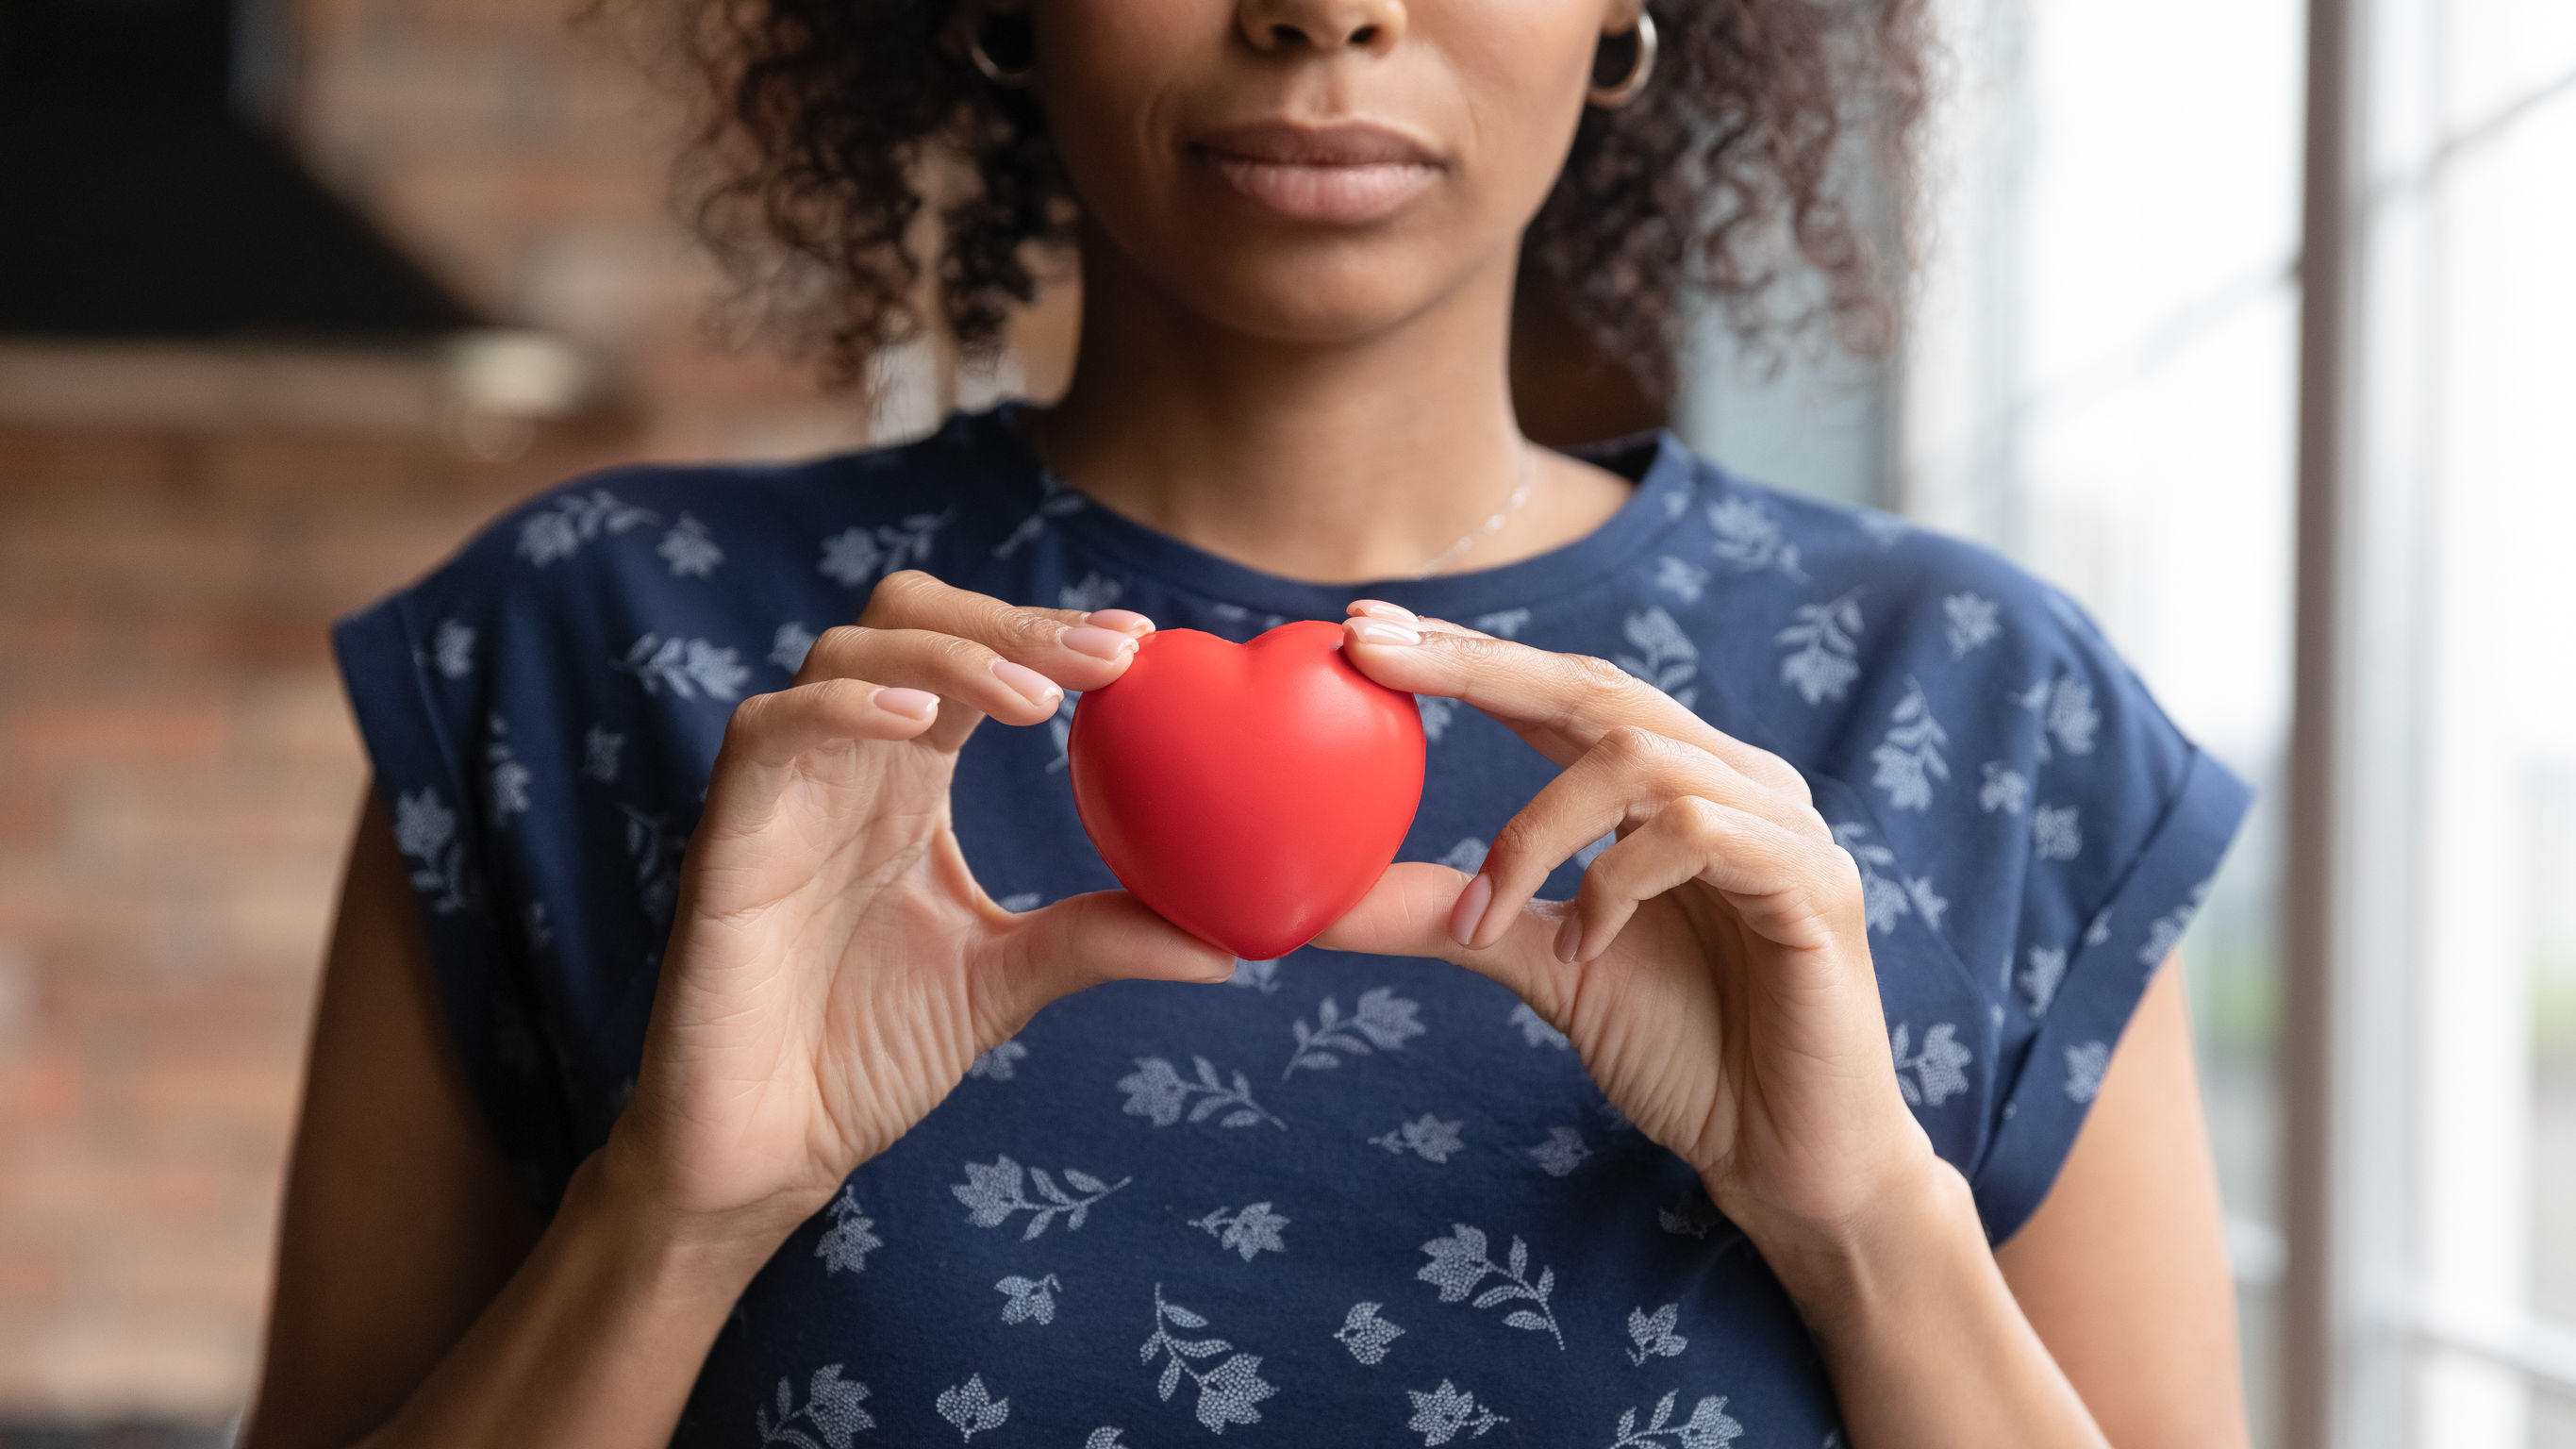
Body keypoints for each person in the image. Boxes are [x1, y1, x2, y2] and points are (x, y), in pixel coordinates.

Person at [243, 0, 2255, 1444]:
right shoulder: (592, 644)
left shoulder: (1983, 699)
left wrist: (1864, 1229)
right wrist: (671, 1224)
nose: (1325, 16)